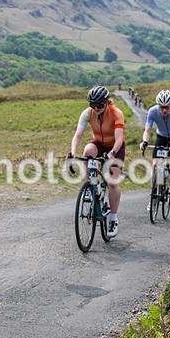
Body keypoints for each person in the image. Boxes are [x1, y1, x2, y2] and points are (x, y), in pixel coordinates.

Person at [67, 86, 125, 238]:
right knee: (87, 152)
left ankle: (113, 218)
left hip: (115, 147)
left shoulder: (116, 113)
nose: (96, 108)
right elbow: (78, 135)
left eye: (100, 104)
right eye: (93, 105)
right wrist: (73, 153)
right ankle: (90, 186)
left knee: (112, 182)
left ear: (106, 103)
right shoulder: (87, 113)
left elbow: (119, 138)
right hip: (98, 143)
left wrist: (112, 153)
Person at [140, 89, 170, 192]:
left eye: (167, 107)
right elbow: (147, 130)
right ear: (158, 106)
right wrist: (145, 142)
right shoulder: (152, 111)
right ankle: (153, 193)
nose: (164, 110)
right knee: (155, 165)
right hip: (161, 136)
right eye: (161, 107)